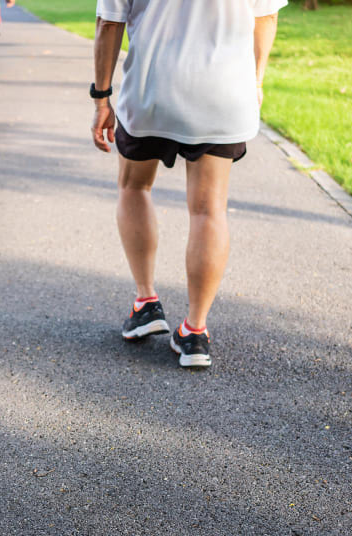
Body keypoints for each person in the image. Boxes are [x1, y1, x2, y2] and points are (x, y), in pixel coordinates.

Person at [91, 0, 285, 368]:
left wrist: (101, 98)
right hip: (224, 93)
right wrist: (256, 81)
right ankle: (195, 331)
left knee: (134, 187)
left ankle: (146, 303)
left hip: (153, 91)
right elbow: (267, 16)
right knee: (209, 208)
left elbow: (108, 22)